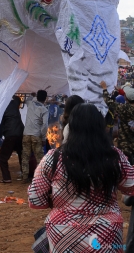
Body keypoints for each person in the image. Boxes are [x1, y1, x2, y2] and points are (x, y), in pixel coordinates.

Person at [28, 103, 134, 252]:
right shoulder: (114, 156)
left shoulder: (53, 158)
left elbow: (35, 200)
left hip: (62, 232)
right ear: (101, 127)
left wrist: (58, 199)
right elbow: (132, 186)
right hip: (106, 233)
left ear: (70, 127)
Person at [100, 80, 134, 164]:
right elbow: (129, 97)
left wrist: (104, 89)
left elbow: (109, 102)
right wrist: (121, 91)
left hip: (127, 144)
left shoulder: (126, 109)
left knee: (127, 164)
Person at [21, 89, 48, 183]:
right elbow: (45, 125)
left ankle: (24, 177)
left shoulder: (30, 104)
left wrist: (32, 95)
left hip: (26, 134)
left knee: (25, 156)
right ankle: (39, 179)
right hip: (36, 135)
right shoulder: (44, 109)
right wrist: (43, 138)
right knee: (39, 158)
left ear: (37, 97)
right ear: (45, 98)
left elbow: (27, 100)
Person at [0, 95, 24, 183]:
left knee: (2, 158)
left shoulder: (3, 109)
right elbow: (17, 99)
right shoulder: (15, 105)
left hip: (10, 135)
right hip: (20, 133)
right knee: (22, 155)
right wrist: (11, 93)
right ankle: (25, 174)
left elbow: (1, 125)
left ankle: (7, 178)